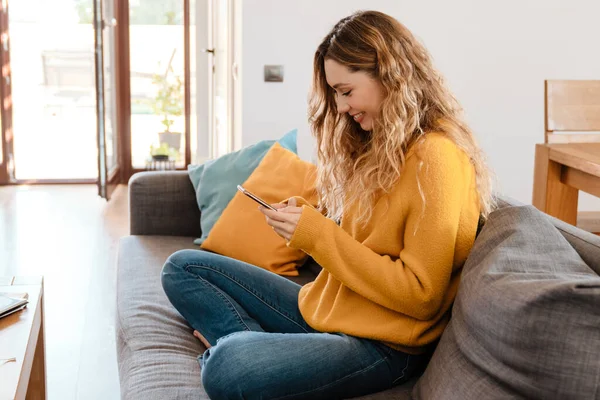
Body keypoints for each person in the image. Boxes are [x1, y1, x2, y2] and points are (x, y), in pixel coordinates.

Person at [161, 9, 494, 400]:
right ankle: (254, 346)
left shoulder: (437, 159)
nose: (340, 107)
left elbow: (421, 296)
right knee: (182, 268)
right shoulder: (382, 146)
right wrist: (310, 217)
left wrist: (315, 235)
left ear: (390, 76)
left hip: (382, 345)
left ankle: (241, 348)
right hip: (328, 310)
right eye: (335, 94)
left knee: (227, 368)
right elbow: (366, 242)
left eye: (346, 91)